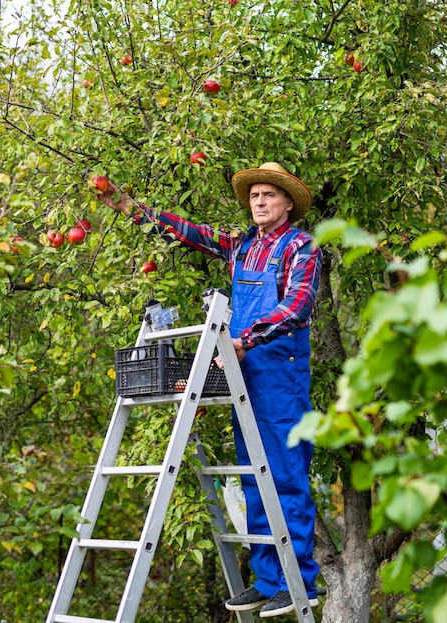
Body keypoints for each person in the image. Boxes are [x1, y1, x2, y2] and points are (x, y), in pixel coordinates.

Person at [97, 162, 323, 618]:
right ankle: (266, 581)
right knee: (253, 475)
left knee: (286, 475)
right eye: (255, 195)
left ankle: (299, 581)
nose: (260, 202)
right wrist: (127, 206)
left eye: (269, 196)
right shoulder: (242, 246)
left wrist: (247, 339)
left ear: (288, 204)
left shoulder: (301, 246)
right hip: (244, 373)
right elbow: (189, 232)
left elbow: (298, 306)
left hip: (278, 373)